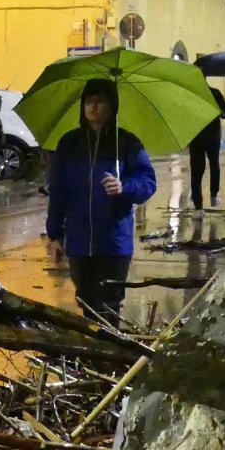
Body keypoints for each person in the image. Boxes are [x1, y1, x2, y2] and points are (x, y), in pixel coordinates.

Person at [45, 77, 156, 324]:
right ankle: (94, 358)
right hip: (79, 242)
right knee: (86, 302)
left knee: (108, 306)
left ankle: (109, 358)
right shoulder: (69, 144)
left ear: (112, 106)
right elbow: (58, 191)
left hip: (114, 243)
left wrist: (124, 187)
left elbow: (148, 182)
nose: (93, 107)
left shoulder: (126, 143)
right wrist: (55, 235)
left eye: (100, 102)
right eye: (88, 102)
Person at [187, 86, 225, 208]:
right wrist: (220, 113)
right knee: (214, 165)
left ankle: (197, 199)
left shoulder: (190, 93)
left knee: (196, 167)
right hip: (213, 136)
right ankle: (213, 196)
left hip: (196, 136)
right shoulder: (215, 93)